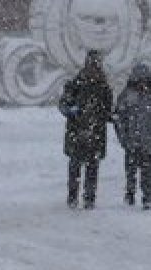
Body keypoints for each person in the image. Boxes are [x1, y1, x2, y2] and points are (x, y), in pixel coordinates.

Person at [113, 63, 151, 210]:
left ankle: (147, 197)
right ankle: (130, 194)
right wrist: (123, 137)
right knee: (130, 170)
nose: (142, 83)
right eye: (139, 80)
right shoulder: (127, 95)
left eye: (144, 80)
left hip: (147, 141)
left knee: (146, 172)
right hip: (131, 141)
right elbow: (119, 118)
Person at [58, 49, 113, 210]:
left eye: (96, 65)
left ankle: (89, 198)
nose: (94, 69)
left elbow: (108, 110)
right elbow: (63, 104)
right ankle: (73, 197)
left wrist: (111, 116)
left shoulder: (103, 87)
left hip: (95, 134)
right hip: (78, 132)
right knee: (76, 166)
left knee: (91, 167)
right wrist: (70, 110)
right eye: (92, 65)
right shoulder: (76, 83)